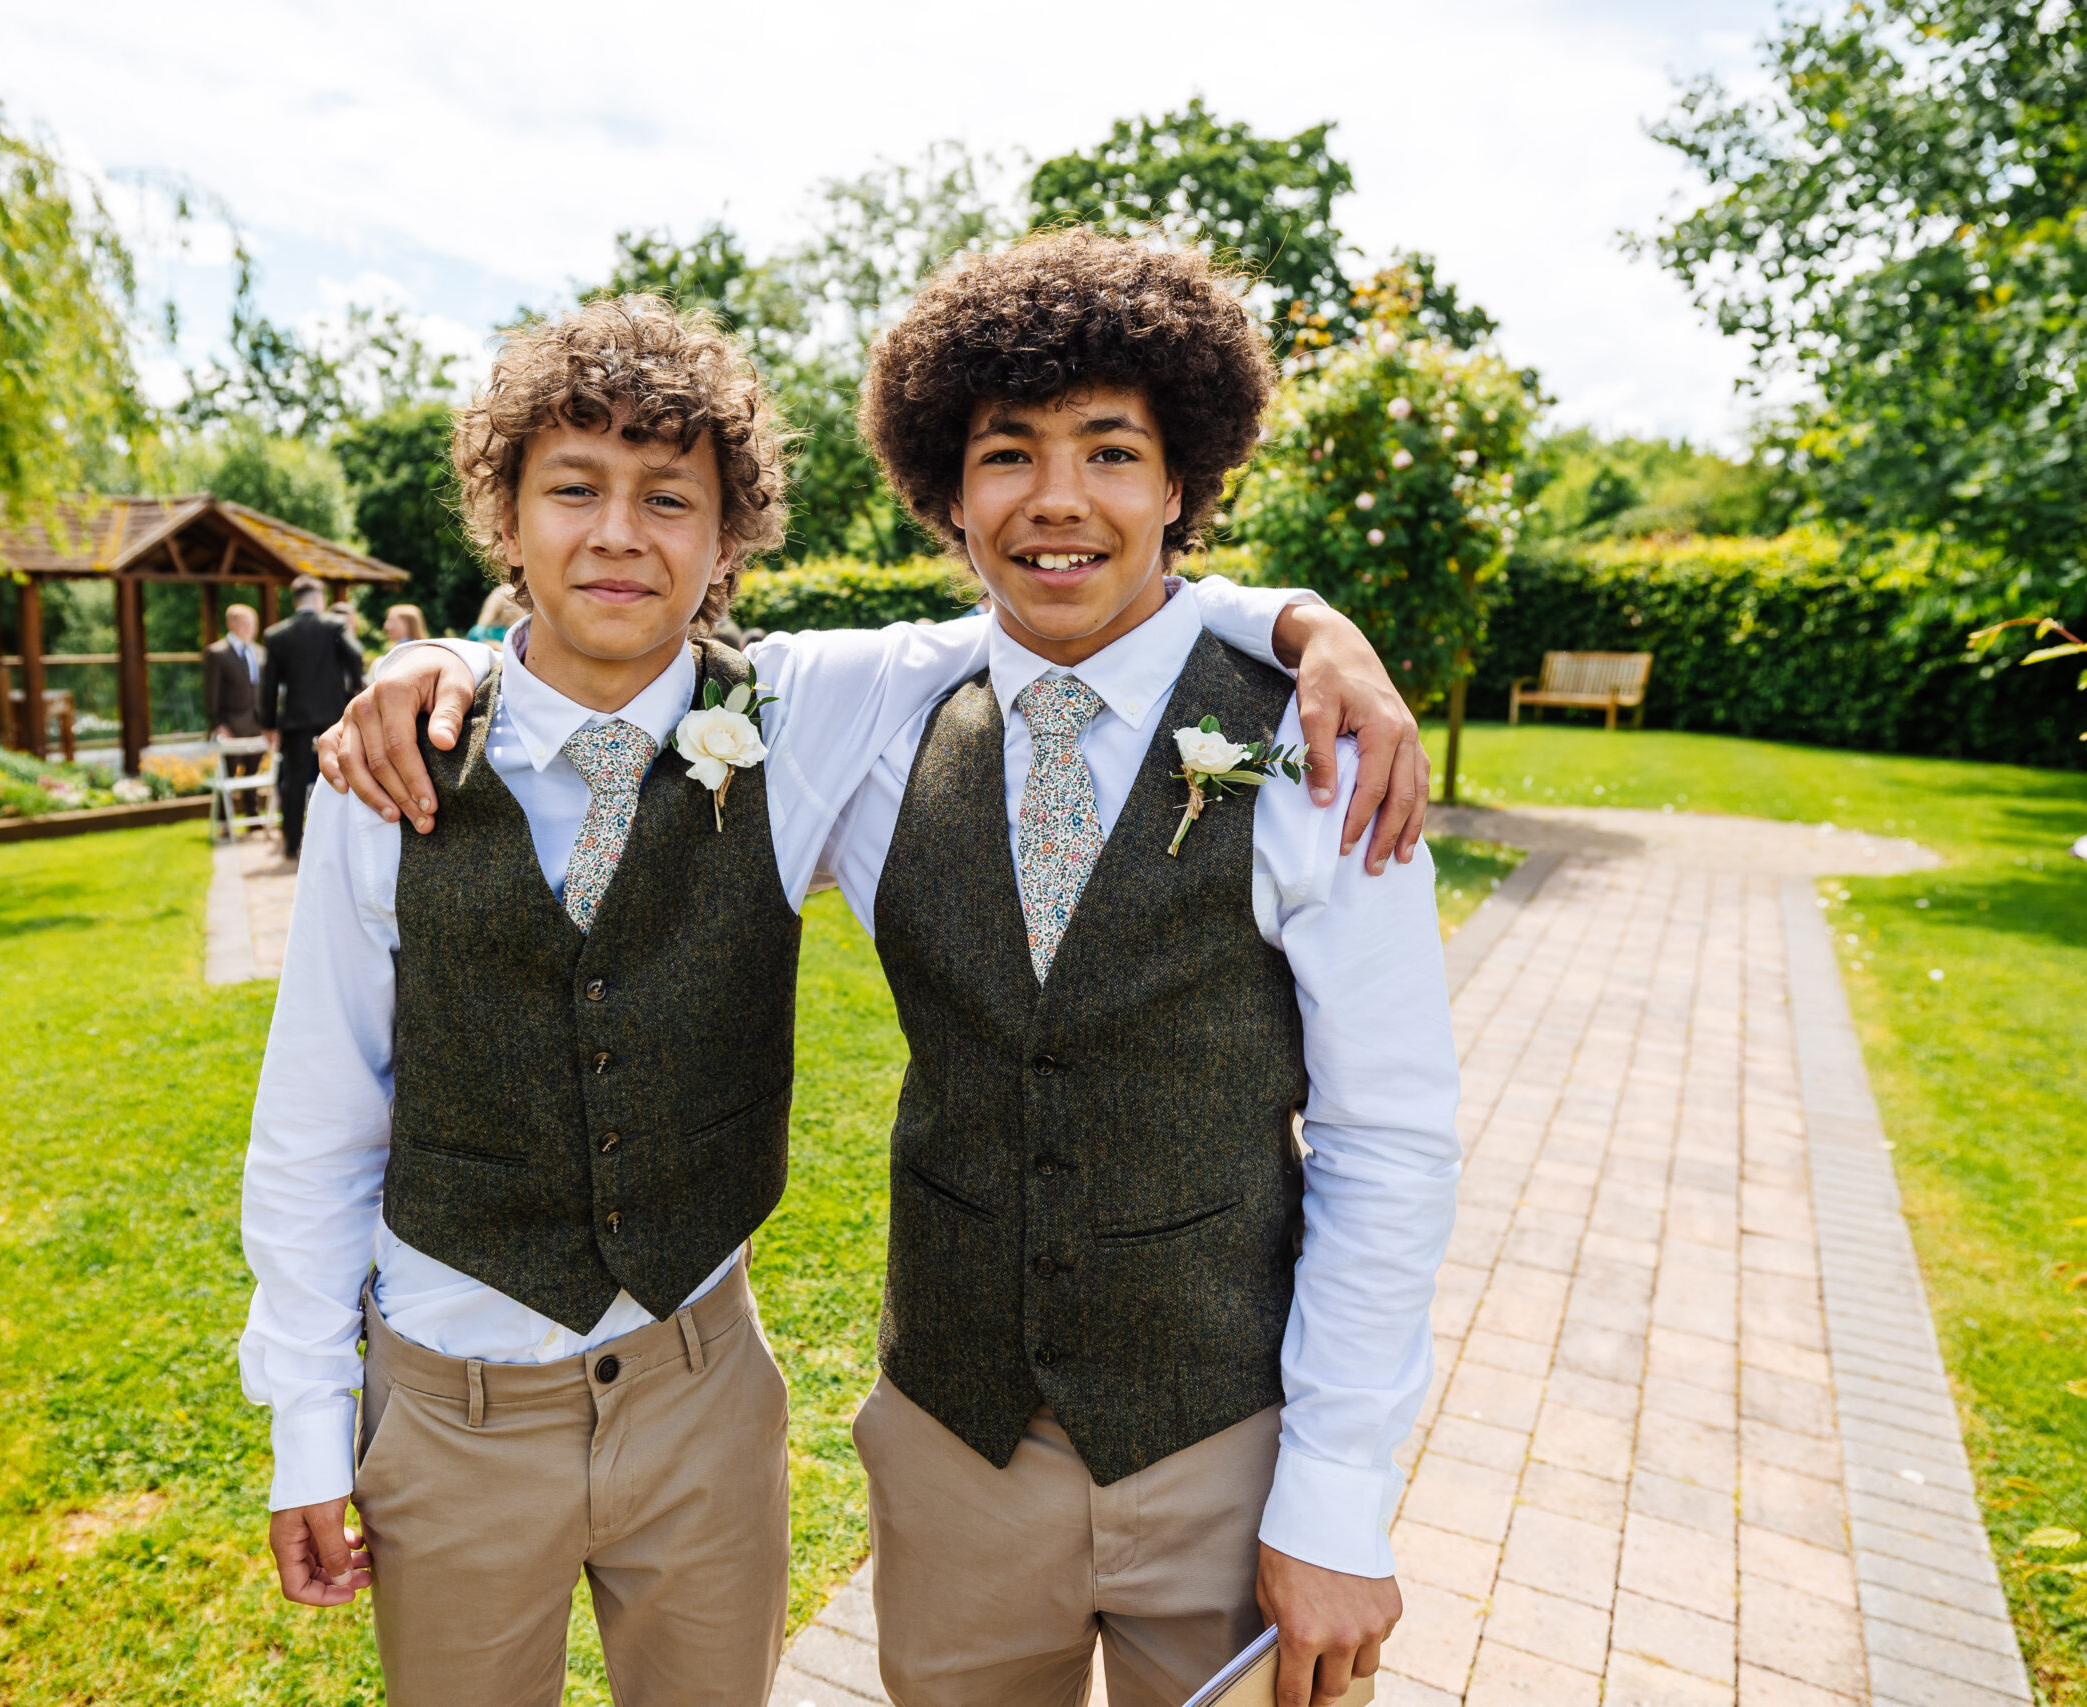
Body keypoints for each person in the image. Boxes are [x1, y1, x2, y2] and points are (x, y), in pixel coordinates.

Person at [326, 233, 1454, 1707]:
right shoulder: (877, 724)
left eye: (1113, 452)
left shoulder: (1318, 752)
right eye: (1007, 457)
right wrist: (449, 665)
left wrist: (1337, 1497)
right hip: (954, 1450)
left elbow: (1391, 1143)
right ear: (948, 496)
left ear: (1182, 484)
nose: (1057, 499)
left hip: (1227, 1447)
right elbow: (626, 657)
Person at [259, 576, 364, 859]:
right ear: (318, 599)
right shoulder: (333, 625)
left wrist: (269, 723)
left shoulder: (277, 634)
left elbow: (269, 685)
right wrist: (354, 689)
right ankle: (342, 840)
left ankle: (292, 844)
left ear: (295, 601)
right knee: (341, 772)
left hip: (295, 717)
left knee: (293, 780)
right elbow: (355, 655)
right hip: (333, 714)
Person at [204, 603, 269, 779]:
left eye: (252, 624)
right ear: (231, 624)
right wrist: (217, 724)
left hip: (256, 723)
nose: (248, 628)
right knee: (229, 774)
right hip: (231, 724)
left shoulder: (260, 652)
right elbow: (211, 692)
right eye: (243, 623)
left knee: (253, 774)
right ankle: (226, 808)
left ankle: (251, 807)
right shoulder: (217, 653)